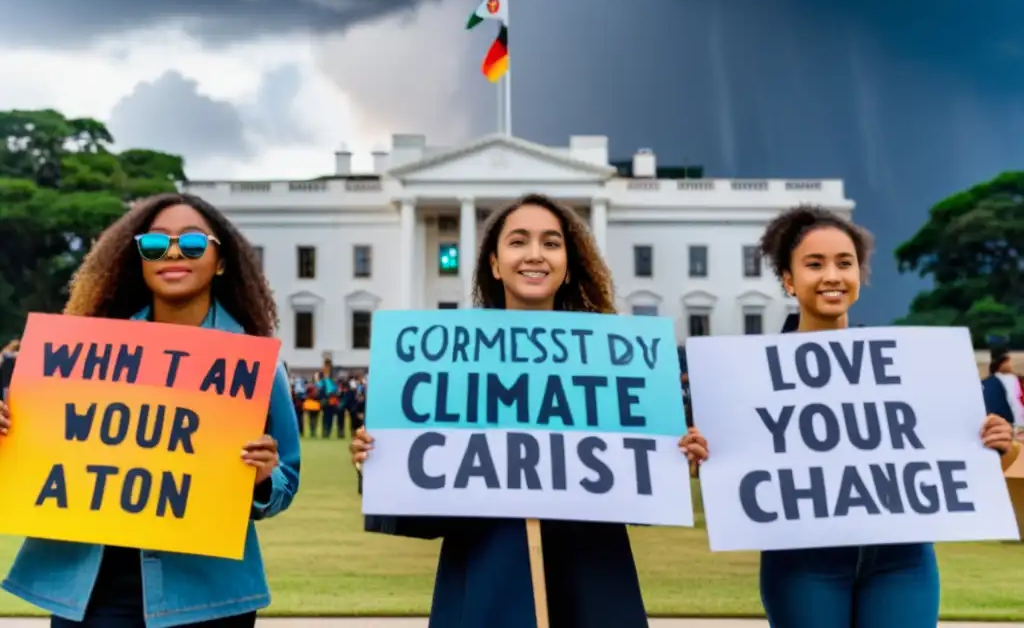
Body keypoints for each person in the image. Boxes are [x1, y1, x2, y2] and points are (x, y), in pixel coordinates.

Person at [350, 193, 688, 628]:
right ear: (494, 263)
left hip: (590, 574)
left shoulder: (610, 357)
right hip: (489, 568)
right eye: (518, 241)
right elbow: (421, 505)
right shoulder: (451, 360)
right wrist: (378, 461)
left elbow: (638, 482)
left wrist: (675, 455)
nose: (535, 254)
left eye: (551, 243)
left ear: (568, 264)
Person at [679, 204, 1017, 628]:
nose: (832, 276)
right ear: (788, 279)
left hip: (903, 560)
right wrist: (701, 459)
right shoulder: (747, 376)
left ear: (860, 275)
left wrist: (994, 446)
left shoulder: (910, 365)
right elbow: (725, 470)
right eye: (814, 264)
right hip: (803, 565)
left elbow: (972, 467)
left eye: (845, 263)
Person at [0, 192, 301, 628]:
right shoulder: (82, 354)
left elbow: (286, 481)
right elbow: (44, 454)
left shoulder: (256, 365)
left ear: (220, 261)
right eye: (155, 244)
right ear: (139, 260)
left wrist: (261, 478)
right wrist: (10, 435)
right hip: (91, 592)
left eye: (193, 243)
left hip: (205, 594)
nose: (173, 253)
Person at [982, 349, 1024, 428]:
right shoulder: (989, 384)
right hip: (1009, 426)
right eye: (1008, 361)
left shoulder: (1017, 379)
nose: (1011, 365)